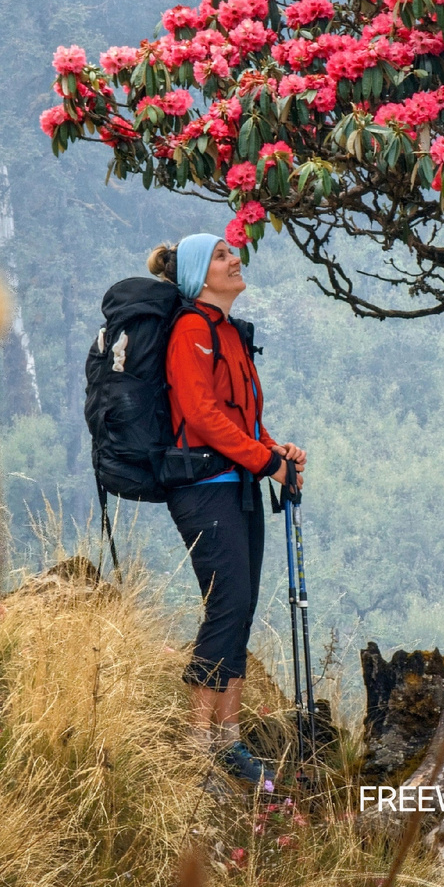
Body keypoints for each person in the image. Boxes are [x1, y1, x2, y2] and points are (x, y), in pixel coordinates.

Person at [147, 233, 306, 787]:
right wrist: (267, 463)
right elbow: (203, 415)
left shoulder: (231, 334)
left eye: (231, 252)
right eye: (220, 256)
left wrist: (274, 449)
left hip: (237, 482)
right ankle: (196, 745)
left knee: (239, 605)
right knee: (226, 603)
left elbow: (242, 418)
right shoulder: (192, 329)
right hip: (201, 488)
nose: (234, 258)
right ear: (198, 276)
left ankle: (228, 738)